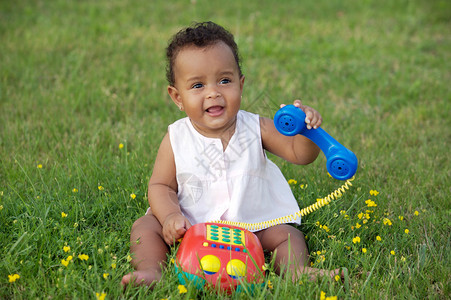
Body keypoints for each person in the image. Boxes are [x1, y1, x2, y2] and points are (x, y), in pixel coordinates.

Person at [121, 21, 343, 288]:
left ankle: (297, 271)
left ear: (241, 84)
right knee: (146, 226)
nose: (213, 92)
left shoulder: (256, 127)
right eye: (197, 86)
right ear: (177, 97)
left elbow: (300, 154)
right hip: (191, 227)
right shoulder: (176, 137)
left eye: (224, 80)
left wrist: (306, 133)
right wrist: (170, 216)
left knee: (287, 235)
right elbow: (160, 186)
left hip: (253, 226)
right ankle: (150, 270)